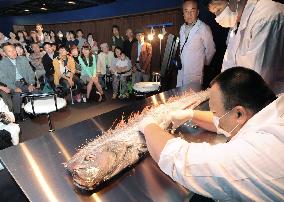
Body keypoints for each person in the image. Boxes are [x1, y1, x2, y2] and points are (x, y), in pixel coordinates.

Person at [138, 67, 283, 201]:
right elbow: (226, 121)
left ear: (239, 113)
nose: (213, 117)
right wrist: (191, 114)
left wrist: (148, 124)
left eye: (215, 112)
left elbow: (177, 158)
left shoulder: (260, 150)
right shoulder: (273, 110)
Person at [209, 0, 284, 94]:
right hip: (245, 97)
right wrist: (211, 93)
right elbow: (228, 68)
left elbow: (259, 80)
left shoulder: (266, 16)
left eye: (219, 10)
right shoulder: (237, 23)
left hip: (269, 101)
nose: (218, 17)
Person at [177, 0, 215, 87]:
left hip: (195, 73)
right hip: (182, 71)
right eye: (186, 11)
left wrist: (202, 62)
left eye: (192, 11)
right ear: (183, 13)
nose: (189, 14)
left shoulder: (204, 28)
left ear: (197, 12)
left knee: (193, 97)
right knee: (180, 96)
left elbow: (211, 50)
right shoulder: (182, 28)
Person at [0, 42, 37, 116]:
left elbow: (30, 72)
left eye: (13, 50)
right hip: (12, 84)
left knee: (37, 92)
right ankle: (16, 115)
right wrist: (14, 88)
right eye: (9, 51)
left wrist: (31, 83)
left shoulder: (23, 59)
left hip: (25, 82)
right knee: (17, 94)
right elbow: (4, 79)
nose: (13, 52)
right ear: (4, 53)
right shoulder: (2, 63)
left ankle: (33, 110)